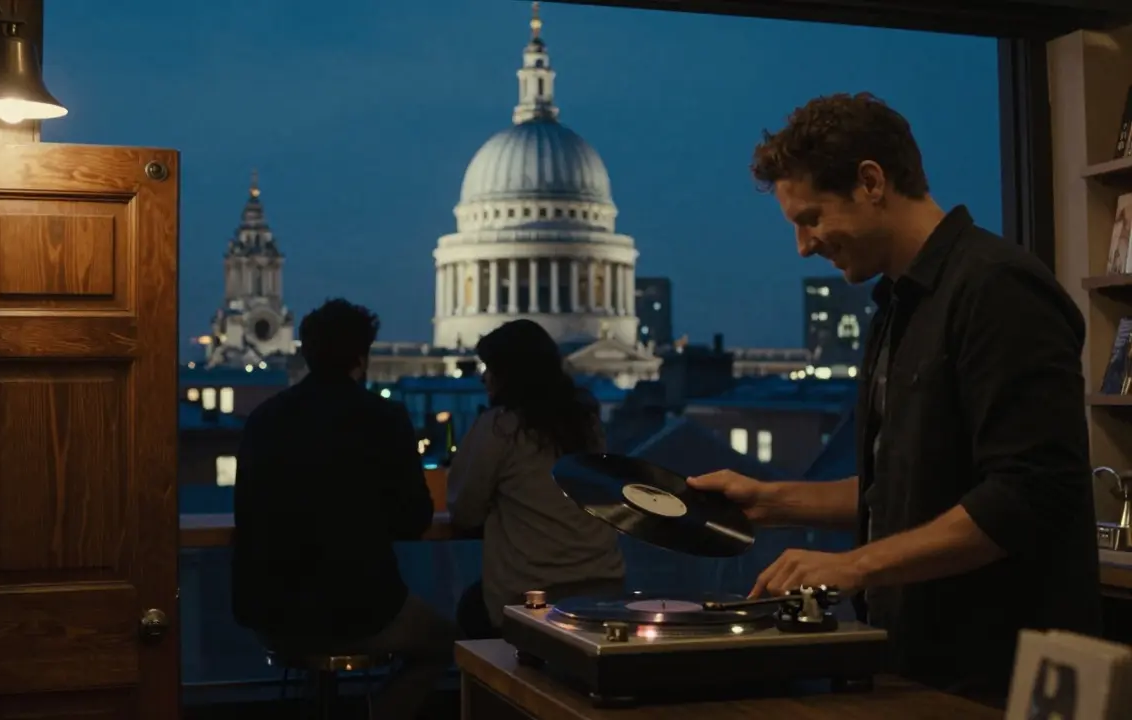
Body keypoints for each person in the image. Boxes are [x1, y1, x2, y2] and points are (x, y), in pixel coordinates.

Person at [690, 92, 1101, 702]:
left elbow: (1028, 494)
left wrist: (851, 565)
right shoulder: (897, 305)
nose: (803, 247)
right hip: (920, 664)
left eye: (811, 218)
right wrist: (770, 501)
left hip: (999, 678)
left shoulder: (997, 287)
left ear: (871, 182)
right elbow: (908, 488)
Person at [231, 298, 459, 720]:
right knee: (446, 643)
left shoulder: (265, 418)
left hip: (269, 609)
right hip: (359, 608)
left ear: (305, 351)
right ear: (362, 355)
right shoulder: (384, 418)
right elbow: (415, 517)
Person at [448, 319, 626, 638]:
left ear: (508, 374)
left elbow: (464, 511)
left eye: (491, 368)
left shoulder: (500, 428)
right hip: (604, 590)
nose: (484, 378)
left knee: (465, 614)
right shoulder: (587, 425)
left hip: (530, 597)